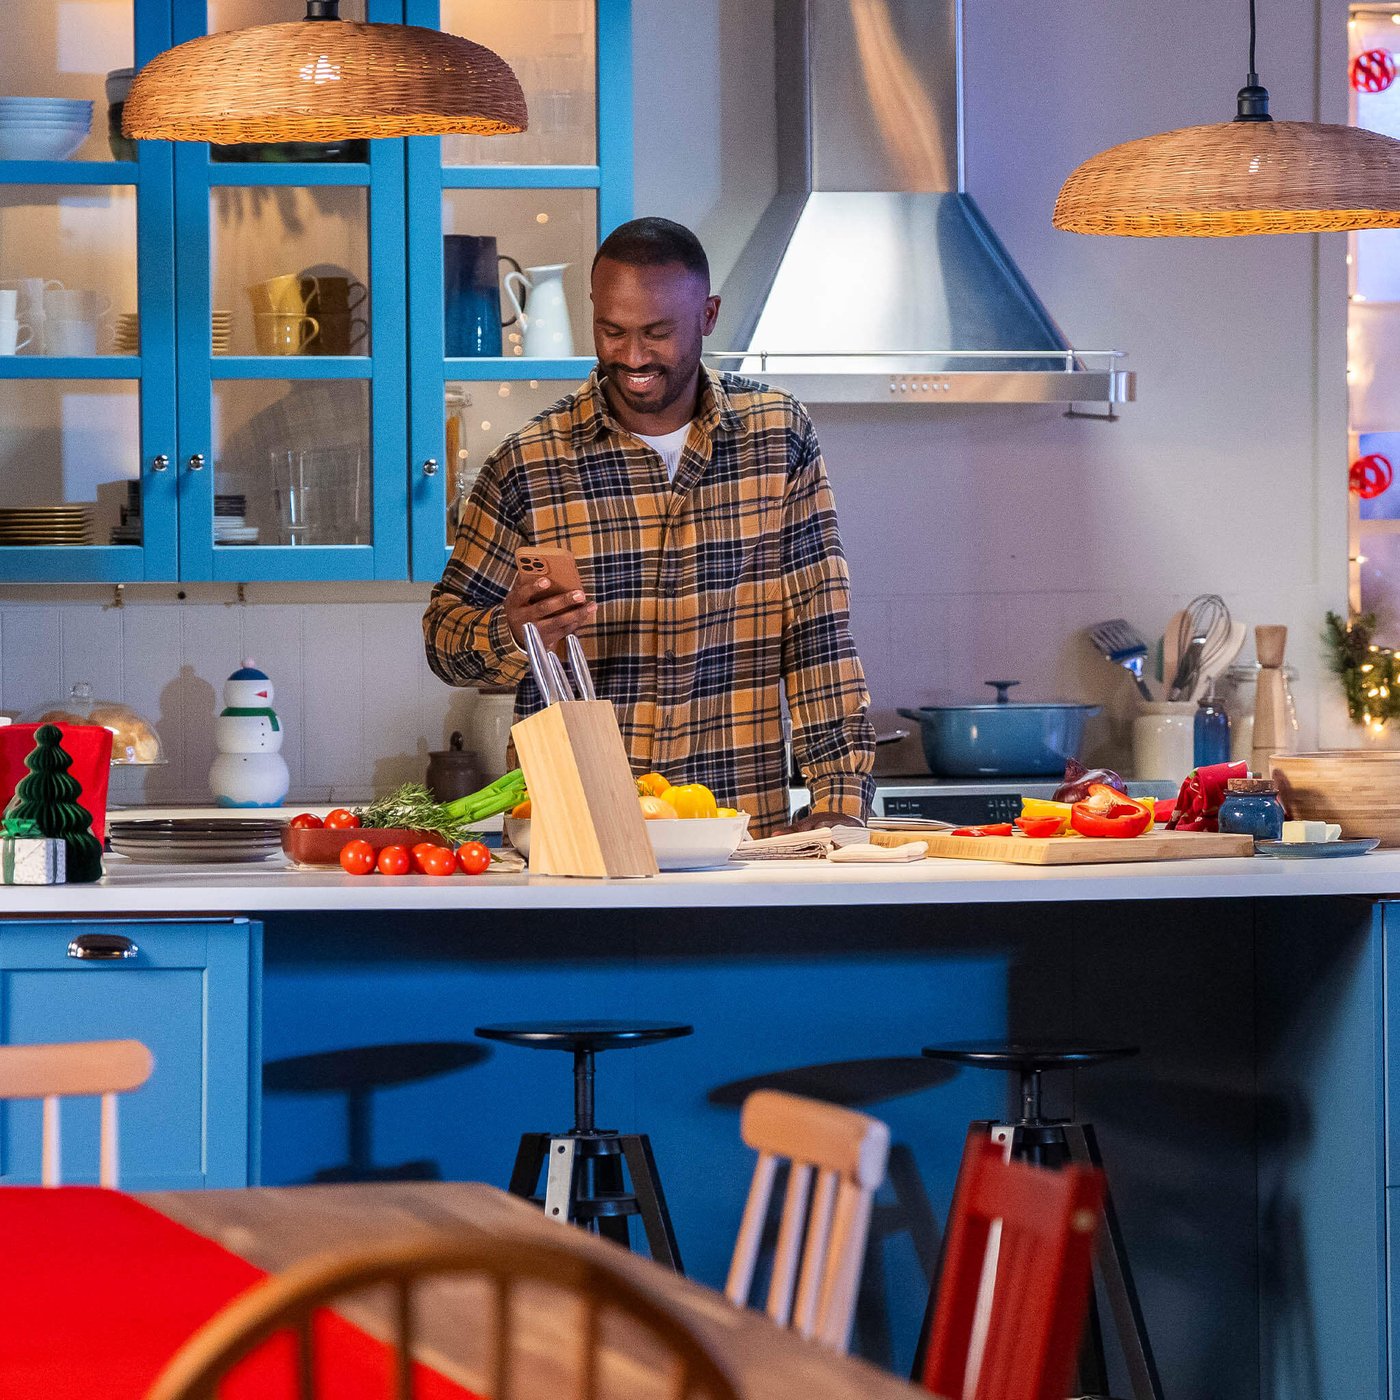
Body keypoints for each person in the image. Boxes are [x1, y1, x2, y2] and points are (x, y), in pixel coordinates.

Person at [423, 216, 873, 837]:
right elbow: (445, 642)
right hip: (577, 835)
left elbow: (818, 635)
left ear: (707, 316)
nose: (632, 357)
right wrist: (512, 631)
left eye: (657, 333)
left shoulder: (777, 436)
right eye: (612, 331)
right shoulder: (528, 462)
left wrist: (840, 801)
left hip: (738, 839)